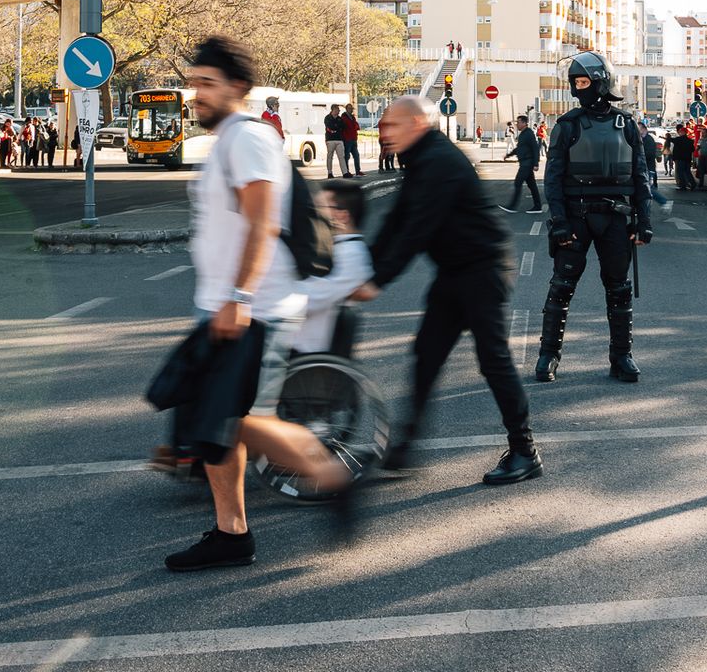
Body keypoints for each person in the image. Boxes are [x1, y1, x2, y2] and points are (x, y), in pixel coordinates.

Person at [161, 36, 354, 573]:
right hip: (225, 305)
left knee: (234, 421)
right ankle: (232, 533)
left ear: (238, 88)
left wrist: (239, 296)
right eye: (193, 82)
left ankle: (334, 478)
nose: (196, 93)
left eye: (207, 84)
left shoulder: (247, 138)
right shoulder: (228, 140)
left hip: (255, 308)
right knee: (219, 423)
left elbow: (263, 221)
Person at [352, 94, 541, 485]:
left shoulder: (439, 161)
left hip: (484, 269)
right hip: (455, 271)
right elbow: (396, 220)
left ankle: (525, 451)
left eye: (392, 125)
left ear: (417, 124)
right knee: (427, 354)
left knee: (493, 361)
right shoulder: (419, 158)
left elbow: (416, 229)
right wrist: (362, 266)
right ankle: (406, 447)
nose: (385, 133)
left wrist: (376, 281)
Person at [536, 50, 650, 384]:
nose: (577, 89)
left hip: (616, 218)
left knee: (619, 289)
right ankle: (548, 355)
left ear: (601, 83)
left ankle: (622, 356)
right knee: (561, 287)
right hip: (576, 218)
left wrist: (644, 220)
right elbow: (553, 179)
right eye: (575, 83)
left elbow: (640, 176)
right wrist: (559, 222)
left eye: (584, 82)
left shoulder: (626, 124)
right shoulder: (567, 125)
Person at [293, 179, 376, 356]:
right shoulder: (334, 247)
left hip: (307, 351)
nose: (313, 214)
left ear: (341, 216)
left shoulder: (351, 254)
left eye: (320, 207)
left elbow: (312, 299)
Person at [500, 116, 543, 213]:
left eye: (518, 122)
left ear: (524, 123)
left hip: (527, 163)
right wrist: (508, 155)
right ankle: (538, 207)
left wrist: (536, 163)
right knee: (532, 185)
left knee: (518, 182)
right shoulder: (523, 134)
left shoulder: (529, 133)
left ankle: (512, 207)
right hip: (524, 162)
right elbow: (519, 148)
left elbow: (535, 148)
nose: (517, 124)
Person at [323, 104, 347, 177]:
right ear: (333, 109)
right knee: (330, 156)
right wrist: (337, 128)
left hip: (339, 139)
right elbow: (330, 126)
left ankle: (345, 172)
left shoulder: (340, 119)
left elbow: (343, 127)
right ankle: (330, 173)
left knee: (341, 156)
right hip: (330, 139)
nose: (339, 111)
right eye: (337, 109)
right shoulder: (327, 118)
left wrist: (335, 128)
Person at [340, 107, 362, 176]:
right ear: (347, 109)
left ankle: (358, 171)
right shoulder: (343, 118)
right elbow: (343, 128)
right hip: (347, 139)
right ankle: (346, 171)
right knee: (347, 156)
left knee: (356, 155)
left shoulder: (353, 117)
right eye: (350, 108)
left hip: (354, 139)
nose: (352, 110)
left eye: (352, 109)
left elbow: (355, 125)